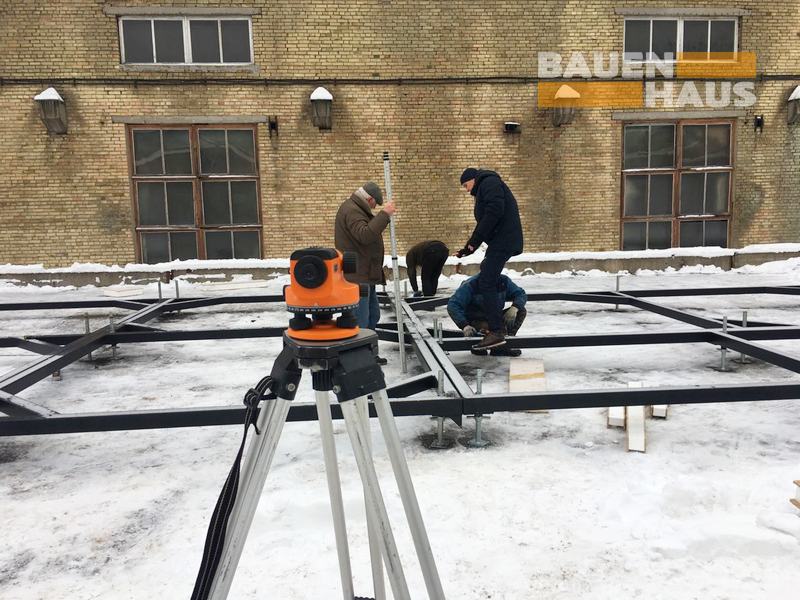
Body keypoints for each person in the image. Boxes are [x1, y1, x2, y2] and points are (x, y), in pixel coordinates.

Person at [455, 167, 523, 350]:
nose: (467, 190)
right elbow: (487, 219)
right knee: (487, 272)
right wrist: (469, 248)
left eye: (466, 185)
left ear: (473, 179)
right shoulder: (486, 185)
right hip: (500, 241)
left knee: (486, 281)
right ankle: (497, 332)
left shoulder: (489, 182)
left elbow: (493, 212)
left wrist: (474, 241)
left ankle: (496, 331)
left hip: (504, 240)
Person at [334, 181, 396, 364]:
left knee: (372, 315)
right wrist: (384, 215)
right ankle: (358, 360)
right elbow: (365, 235)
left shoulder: (356, 208)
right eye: (375, 204)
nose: (375, 208)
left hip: (365, 275)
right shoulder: (352, 210)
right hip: (357, 277)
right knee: (361, 319)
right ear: (369, 199)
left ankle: (369, 355)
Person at [447, 274, 527, 356]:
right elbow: (453, 305)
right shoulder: (471, 284)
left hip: (495, 317)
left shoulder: (503, 281)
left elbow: (520, 293)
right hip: (477, 319)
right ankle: (478, 343)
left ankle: (505, 345)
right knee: (489, 327)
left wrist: (515, 308)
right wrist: (464, 325)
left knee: (521, 311)